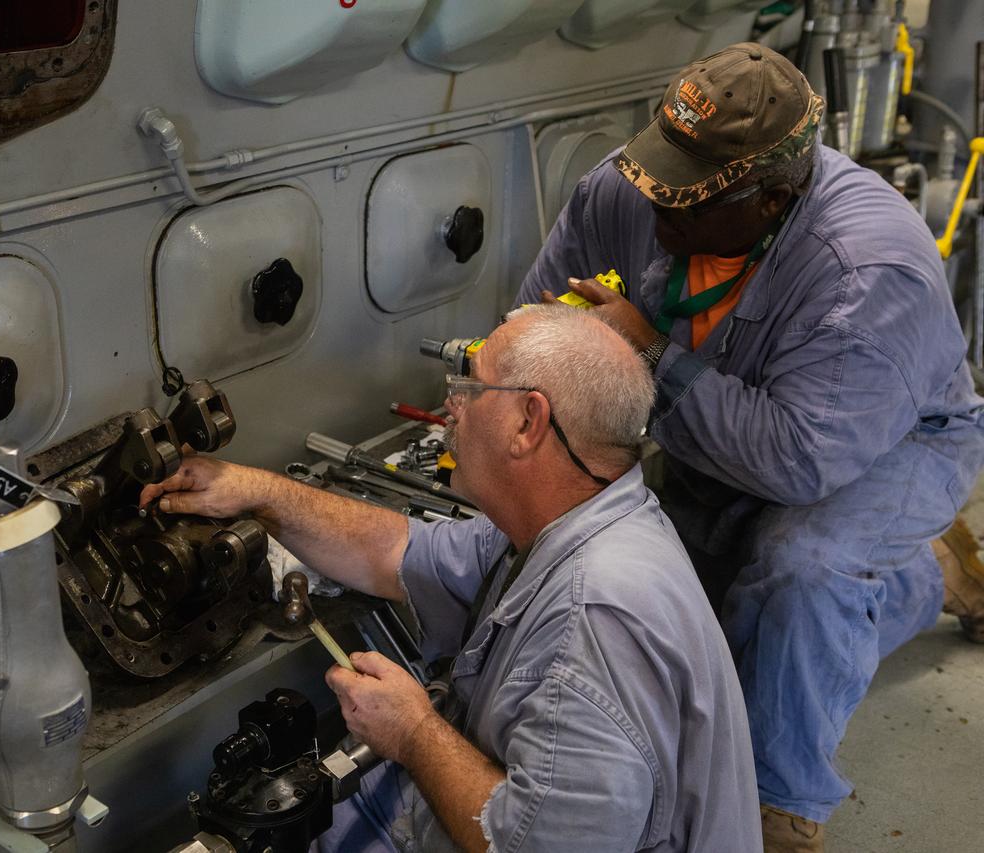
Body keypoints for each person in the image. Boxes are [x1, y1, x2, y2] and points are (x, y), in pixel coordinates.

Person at [516, 42, 984, 851]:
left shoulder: (870, 270)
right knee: (701, 603)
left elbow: (797, 462)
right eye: (654, 171)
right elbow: (534, 320)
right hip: (736, 422)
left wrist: (649, 356)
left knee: (802, 567)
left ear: (771, 199)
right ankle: (932, 574)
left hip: (882, 444)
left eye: (686, 200)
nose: (654, 205)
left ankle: (777, 807)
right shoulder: (635, 189)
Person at [141, 305, 760, 852]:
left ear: (528, 422)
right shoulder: (568, 522)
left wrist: (413, 732)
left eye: (473, 386)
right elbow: (396, 550)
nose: (450, 407)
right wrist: (257, 492)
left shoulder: (594, 621)